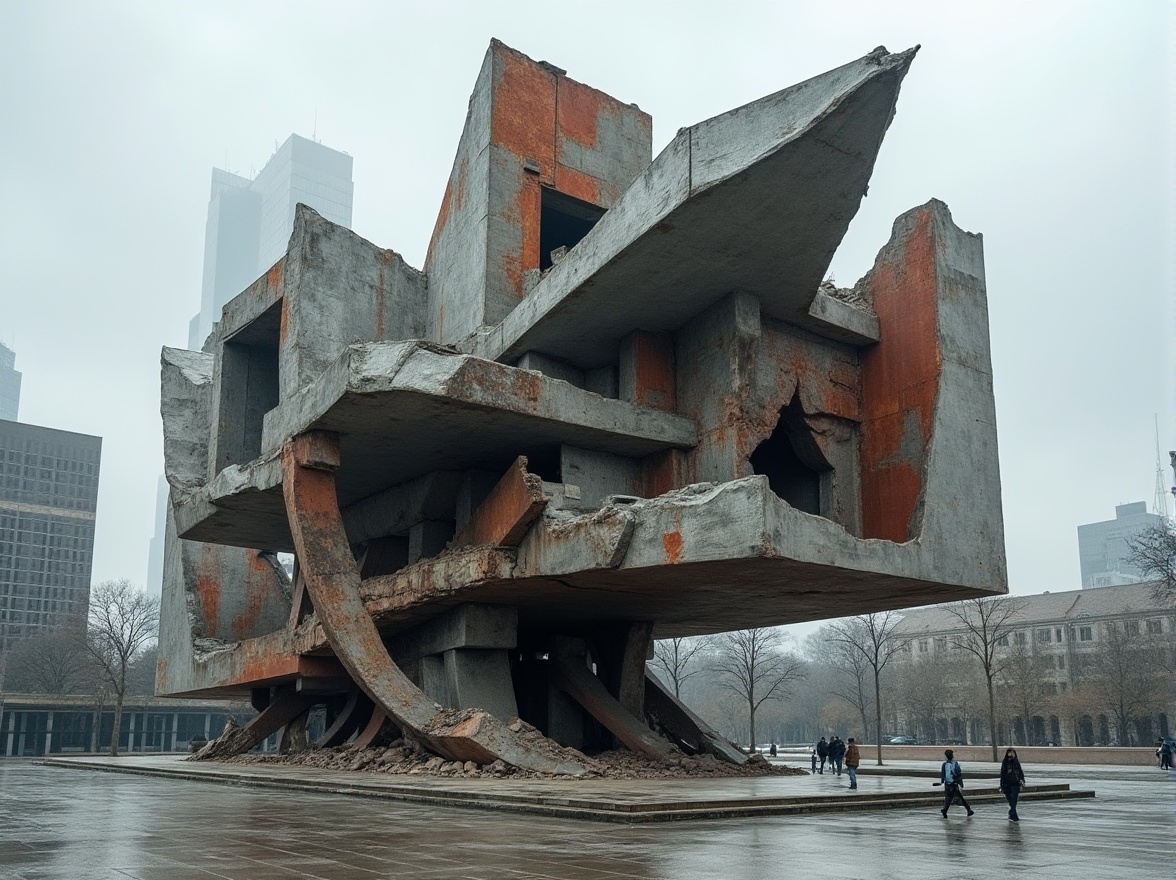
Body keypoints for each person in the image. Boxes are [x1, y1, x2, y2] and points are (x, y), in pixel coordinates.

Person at [939, 749, 974, 817]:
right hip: (954, 783)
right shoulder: (955, 764)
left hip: (948, 784)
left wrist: (942, 781)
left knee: (948, 797)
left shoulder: (944, 764)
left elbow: (943, 774)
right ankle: (968, 809)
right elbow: (959, 774)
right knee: (959, 798)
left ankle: (945, 810)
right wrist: (960, 783)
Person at [999, 747, 1025, 822]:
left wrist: (1022, 780)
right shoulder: (1005, 762)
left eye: (1012, 752)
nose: (1011, 754)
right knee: (1011, 800)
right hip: (1007, 783)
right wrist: (1002, 784)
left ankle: (1011, 812)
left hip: (1015, 783)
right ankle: (1014, 815)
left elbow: (1020, 771)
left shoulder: (1016, 761)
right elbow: (1002, 773)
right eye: (1010, 752)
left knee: (1014, 799)